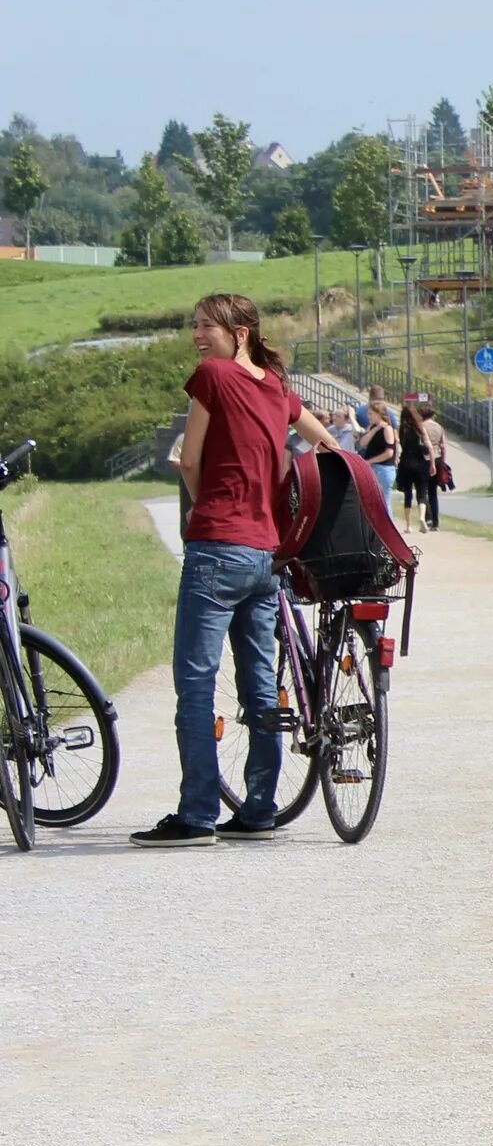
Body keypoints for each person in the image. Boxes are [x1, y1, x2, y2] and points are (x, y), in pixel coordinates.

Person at [133, 294, 346, 847]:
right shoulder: (274, 383)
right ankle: (257, 809)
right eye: (195, 325)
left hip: (217, 548)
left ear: (241, 331)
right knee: (258, 684)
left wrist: (206, 508)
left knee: (196, 683)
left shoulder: (213, 375)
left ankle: (198, 813)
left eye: (208, 325)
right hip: (267, 555)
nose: (198, 335)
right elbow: (321, 438)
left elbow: (191, 458)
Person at [355, 386, 399, 502]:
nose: (368, 416)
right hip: (370, 461)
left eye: (370, 414)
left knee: (383, 502)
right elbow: (362, 443)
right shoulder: (376, 422)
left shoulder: (361, 411)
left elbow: (390, 450)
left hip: (381, 466)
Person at [413, 399, 447, 531]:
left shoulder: (420, 427)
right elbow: (443, 445)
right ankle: (436, 521)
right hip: (437, 458)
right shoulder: (439, 427)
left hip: (424, 459)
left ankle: (427, 517)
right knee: (433, 492)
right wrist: (443, 461)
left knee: (422, 490)